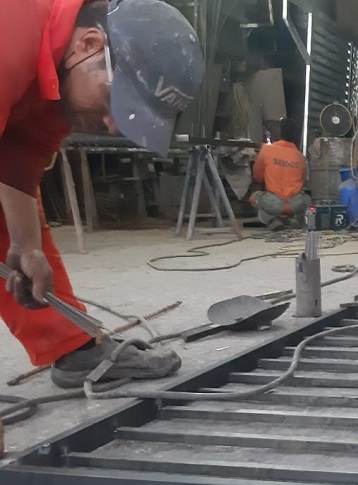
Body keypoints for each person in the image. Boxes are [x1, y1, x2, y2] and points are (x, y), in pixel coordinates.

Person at [1, 0, 205, 390]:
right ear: (89, 44)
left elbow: (18, 157)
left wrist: (26, 246)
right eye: (115, 101)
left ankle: (73, 345)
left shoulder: (58, 81)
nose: (113, 125)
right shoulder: (11, 32)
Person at [251, 117, 310, 231]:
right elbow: (304, 182)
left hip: (273, 203)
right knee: (307, 199)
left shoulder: (266, 150)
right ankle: (296, 220)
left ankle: (272, 220)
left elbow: (257, 177)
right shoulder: (301, 157)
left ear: (279, 131)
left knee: (254, 197)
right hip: (295, 204)